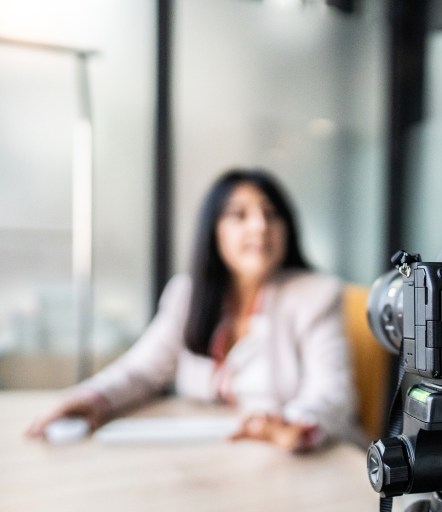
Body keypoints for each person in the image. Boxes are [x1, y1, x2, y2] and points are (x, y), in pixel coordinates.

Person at [26, 168, 355, 451]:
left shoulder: (316, 294)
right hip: (217, 456)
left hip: (297, 457)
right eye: (239, 215)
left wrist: (293, 425)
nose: (260, 226)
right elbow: (141, 371)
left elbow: (331, 392)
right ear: (213, 230)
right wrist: (91, 398)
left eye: (271, 214)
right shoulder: (186, 295)